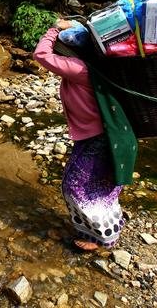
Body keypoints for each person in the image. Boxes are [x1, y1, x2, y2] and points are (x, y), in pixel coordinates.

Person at [33, 19, 125, 250]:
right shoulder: (93, 65)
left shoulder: (80, 68)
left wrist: (52, 30)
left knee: (75, 186)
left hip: (99, 137)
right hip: (99, 135)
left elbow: (41, 55)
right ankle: (110, 223)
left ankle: (103, 238)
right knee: (99, 182)